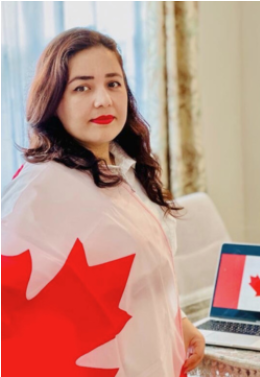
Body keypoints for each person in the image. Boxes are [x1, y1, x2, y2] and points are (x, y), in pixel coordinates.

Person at [2, 28, 203, 376]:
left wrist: (179, 321)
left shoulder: (127, 169)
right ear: (53, 100)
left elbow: (137, 278)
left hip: (154, 357)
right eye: (82, 87)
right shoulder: (41, 190)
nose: (103, 100)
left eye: (113, 84)